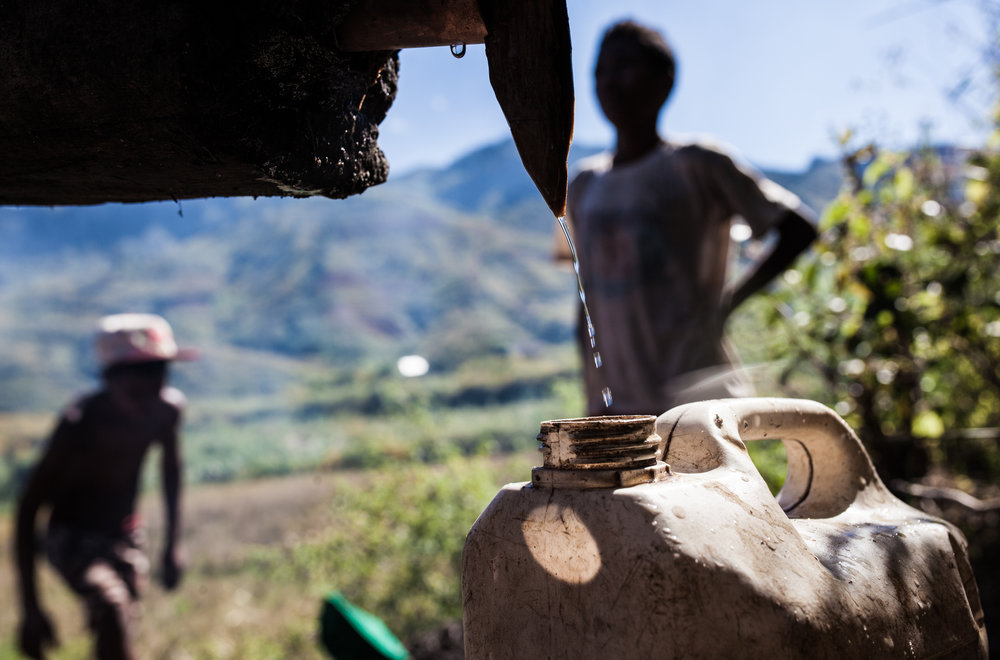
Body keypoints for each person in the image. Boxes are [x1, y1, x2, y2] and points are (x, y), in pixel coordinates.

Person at [555, 20, 818, 416]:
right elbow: (585, 290)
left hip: (696, 398)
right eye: (600, 72)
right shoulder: (582, 185)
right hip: (618, 408)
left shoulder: (697, 164)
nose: (609, 82)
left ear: (664, 80)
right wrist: (594, 393)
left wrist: (725, 306)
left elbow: (798, 228)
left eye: (624, 66)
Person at [14, 313, 197, 660]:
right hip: (70, 537)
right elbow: (27, 511)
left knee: (118, 624)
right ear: (110, 379)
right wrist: (31, 609)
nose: (149, 394)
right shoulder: (78, 424)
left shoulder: (166, 411)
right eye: (137, 386)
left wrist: (174, 544)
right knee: (112, 606)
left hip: (126, 536)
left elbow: (171, 468)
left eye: (159, 376)